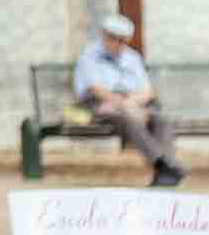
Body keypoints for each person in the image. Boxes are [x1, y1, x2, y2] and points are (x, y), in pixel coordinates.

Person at [71, 12, 186, 188]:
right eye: (112, 38)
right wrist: (127, 106)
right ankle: (163, 165)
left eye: (121, 40)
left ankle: (164, 169)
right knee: (128, 118)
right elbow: (96, 90)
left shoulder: (132, 58)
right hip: (99, 104)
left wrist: (132, 104)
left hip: (134, 103)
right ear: (104, 35)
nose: (117, 44)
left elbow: (148, 91)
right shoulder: (89, 57)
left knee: (161, 120)